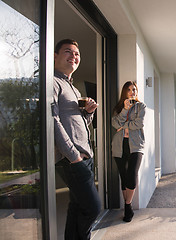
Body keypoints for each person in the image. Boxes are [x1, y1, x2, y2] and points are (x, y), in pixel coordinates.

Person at [53, 39, 101, 239]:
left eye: (76, 54)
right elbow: (52, 120)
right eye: (68, 52)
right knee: (93, 208)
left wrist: (88, 114)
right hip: (72, 160)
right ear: (55, 56)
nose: (74, 56)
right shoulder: (53, 82)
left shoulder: (73, 88)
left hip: (84, 158)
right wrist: (74, 156)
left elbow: (79, 127)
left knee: (76, 208)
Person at [111, 81, 146, 222]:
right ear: (125, 92)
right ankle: (128, 208)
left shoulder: (140, 106)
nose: (133, 92)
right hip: (120, 145)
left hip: (136, 145)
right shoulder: (119, 108)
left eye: (135, 89)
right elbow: (114, 123)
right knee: (124, 177)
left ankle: (127, 204)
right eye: (130, 89)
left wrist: (123, 126)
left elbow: (139, 124)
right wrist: (125, 109)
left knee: (131, 175)